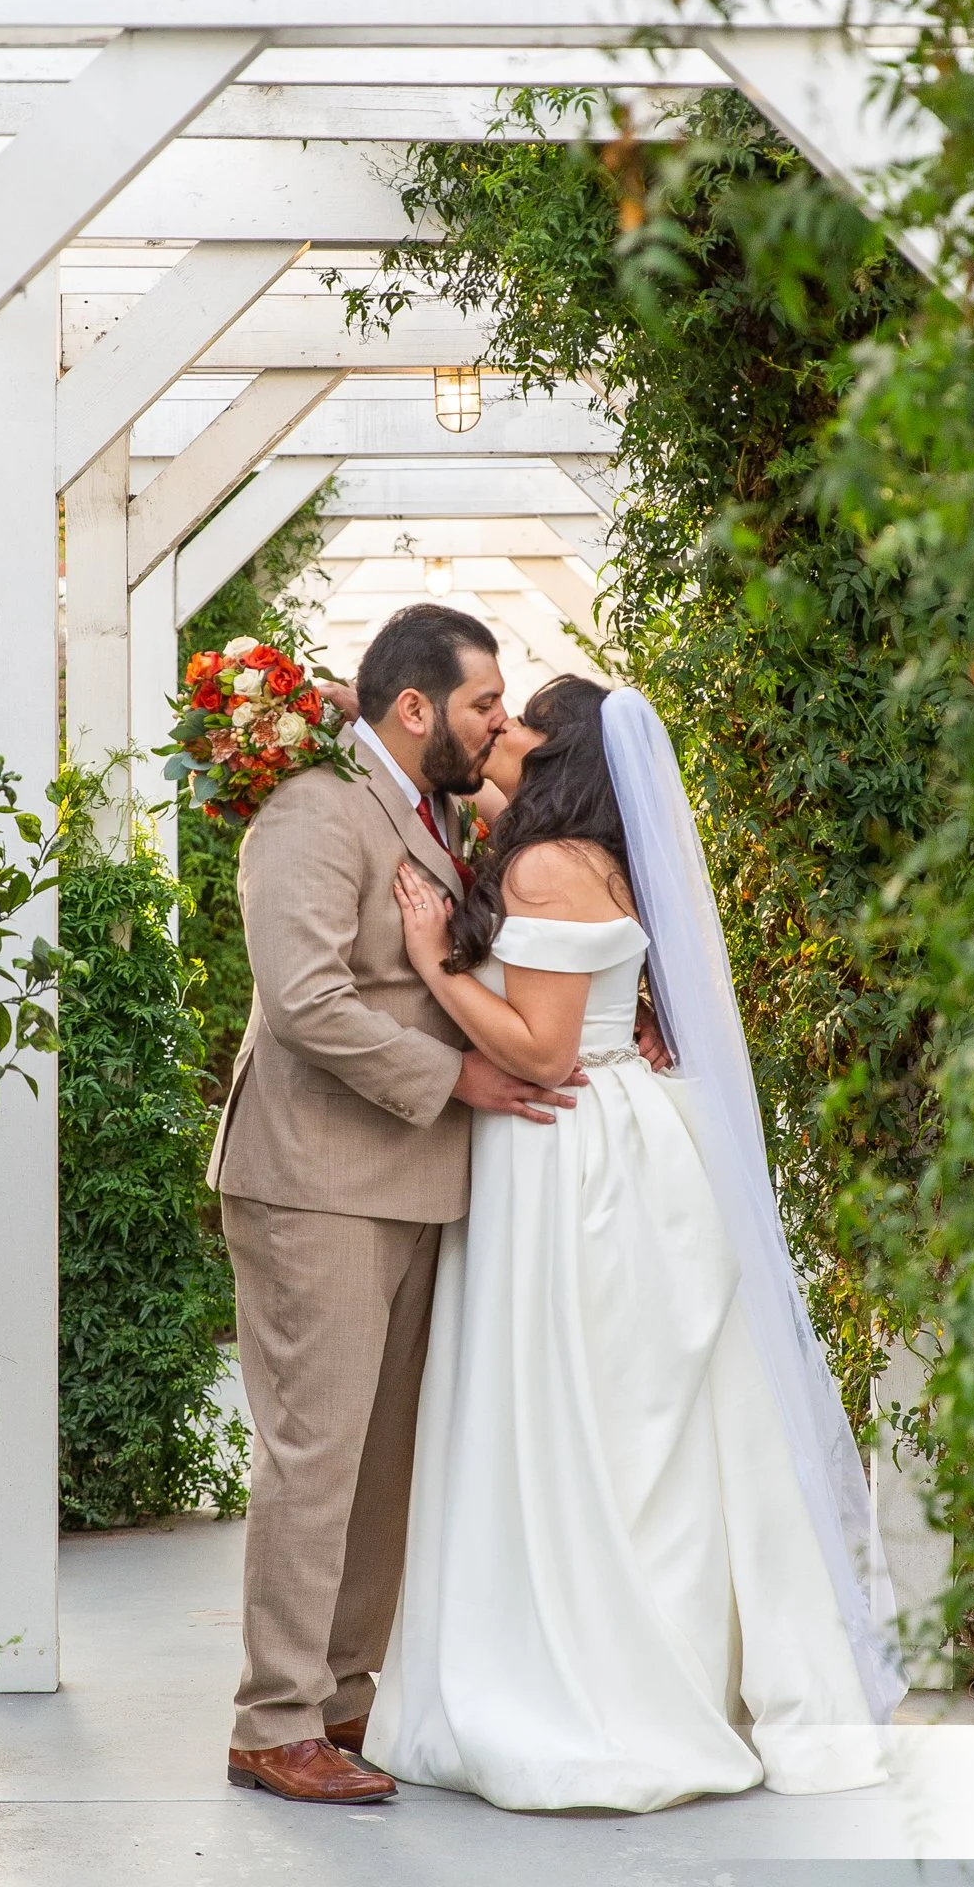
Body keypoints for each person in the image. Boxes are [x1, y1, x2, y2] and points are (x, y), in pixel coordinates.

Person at [365, 675, 907, 1811]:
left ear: (560, 757)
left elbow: (544, 1053)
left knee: (569, 1421)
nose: (498, 731)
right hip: (626, 1140)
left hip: (569, 1153)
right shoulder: (593, 858)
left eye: (518, 723)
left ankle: (595, 1685)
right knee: (640, 1433)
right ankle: (673, 1663)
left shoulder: (541, 867)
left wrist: (429, 967)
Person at [209, 605, 581, 1806]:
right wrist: (462, 1076)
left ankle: (341, 1700)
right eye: (483, 703)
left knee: (381, 1464)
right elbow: (308, 1000)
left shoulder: (431, 812)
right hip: (314, 1181)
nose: (497, 724)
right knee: (315, 1454)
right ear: (412, 707)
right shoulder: (316, 809)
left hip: (415, 1180)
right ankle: (272, 1720)